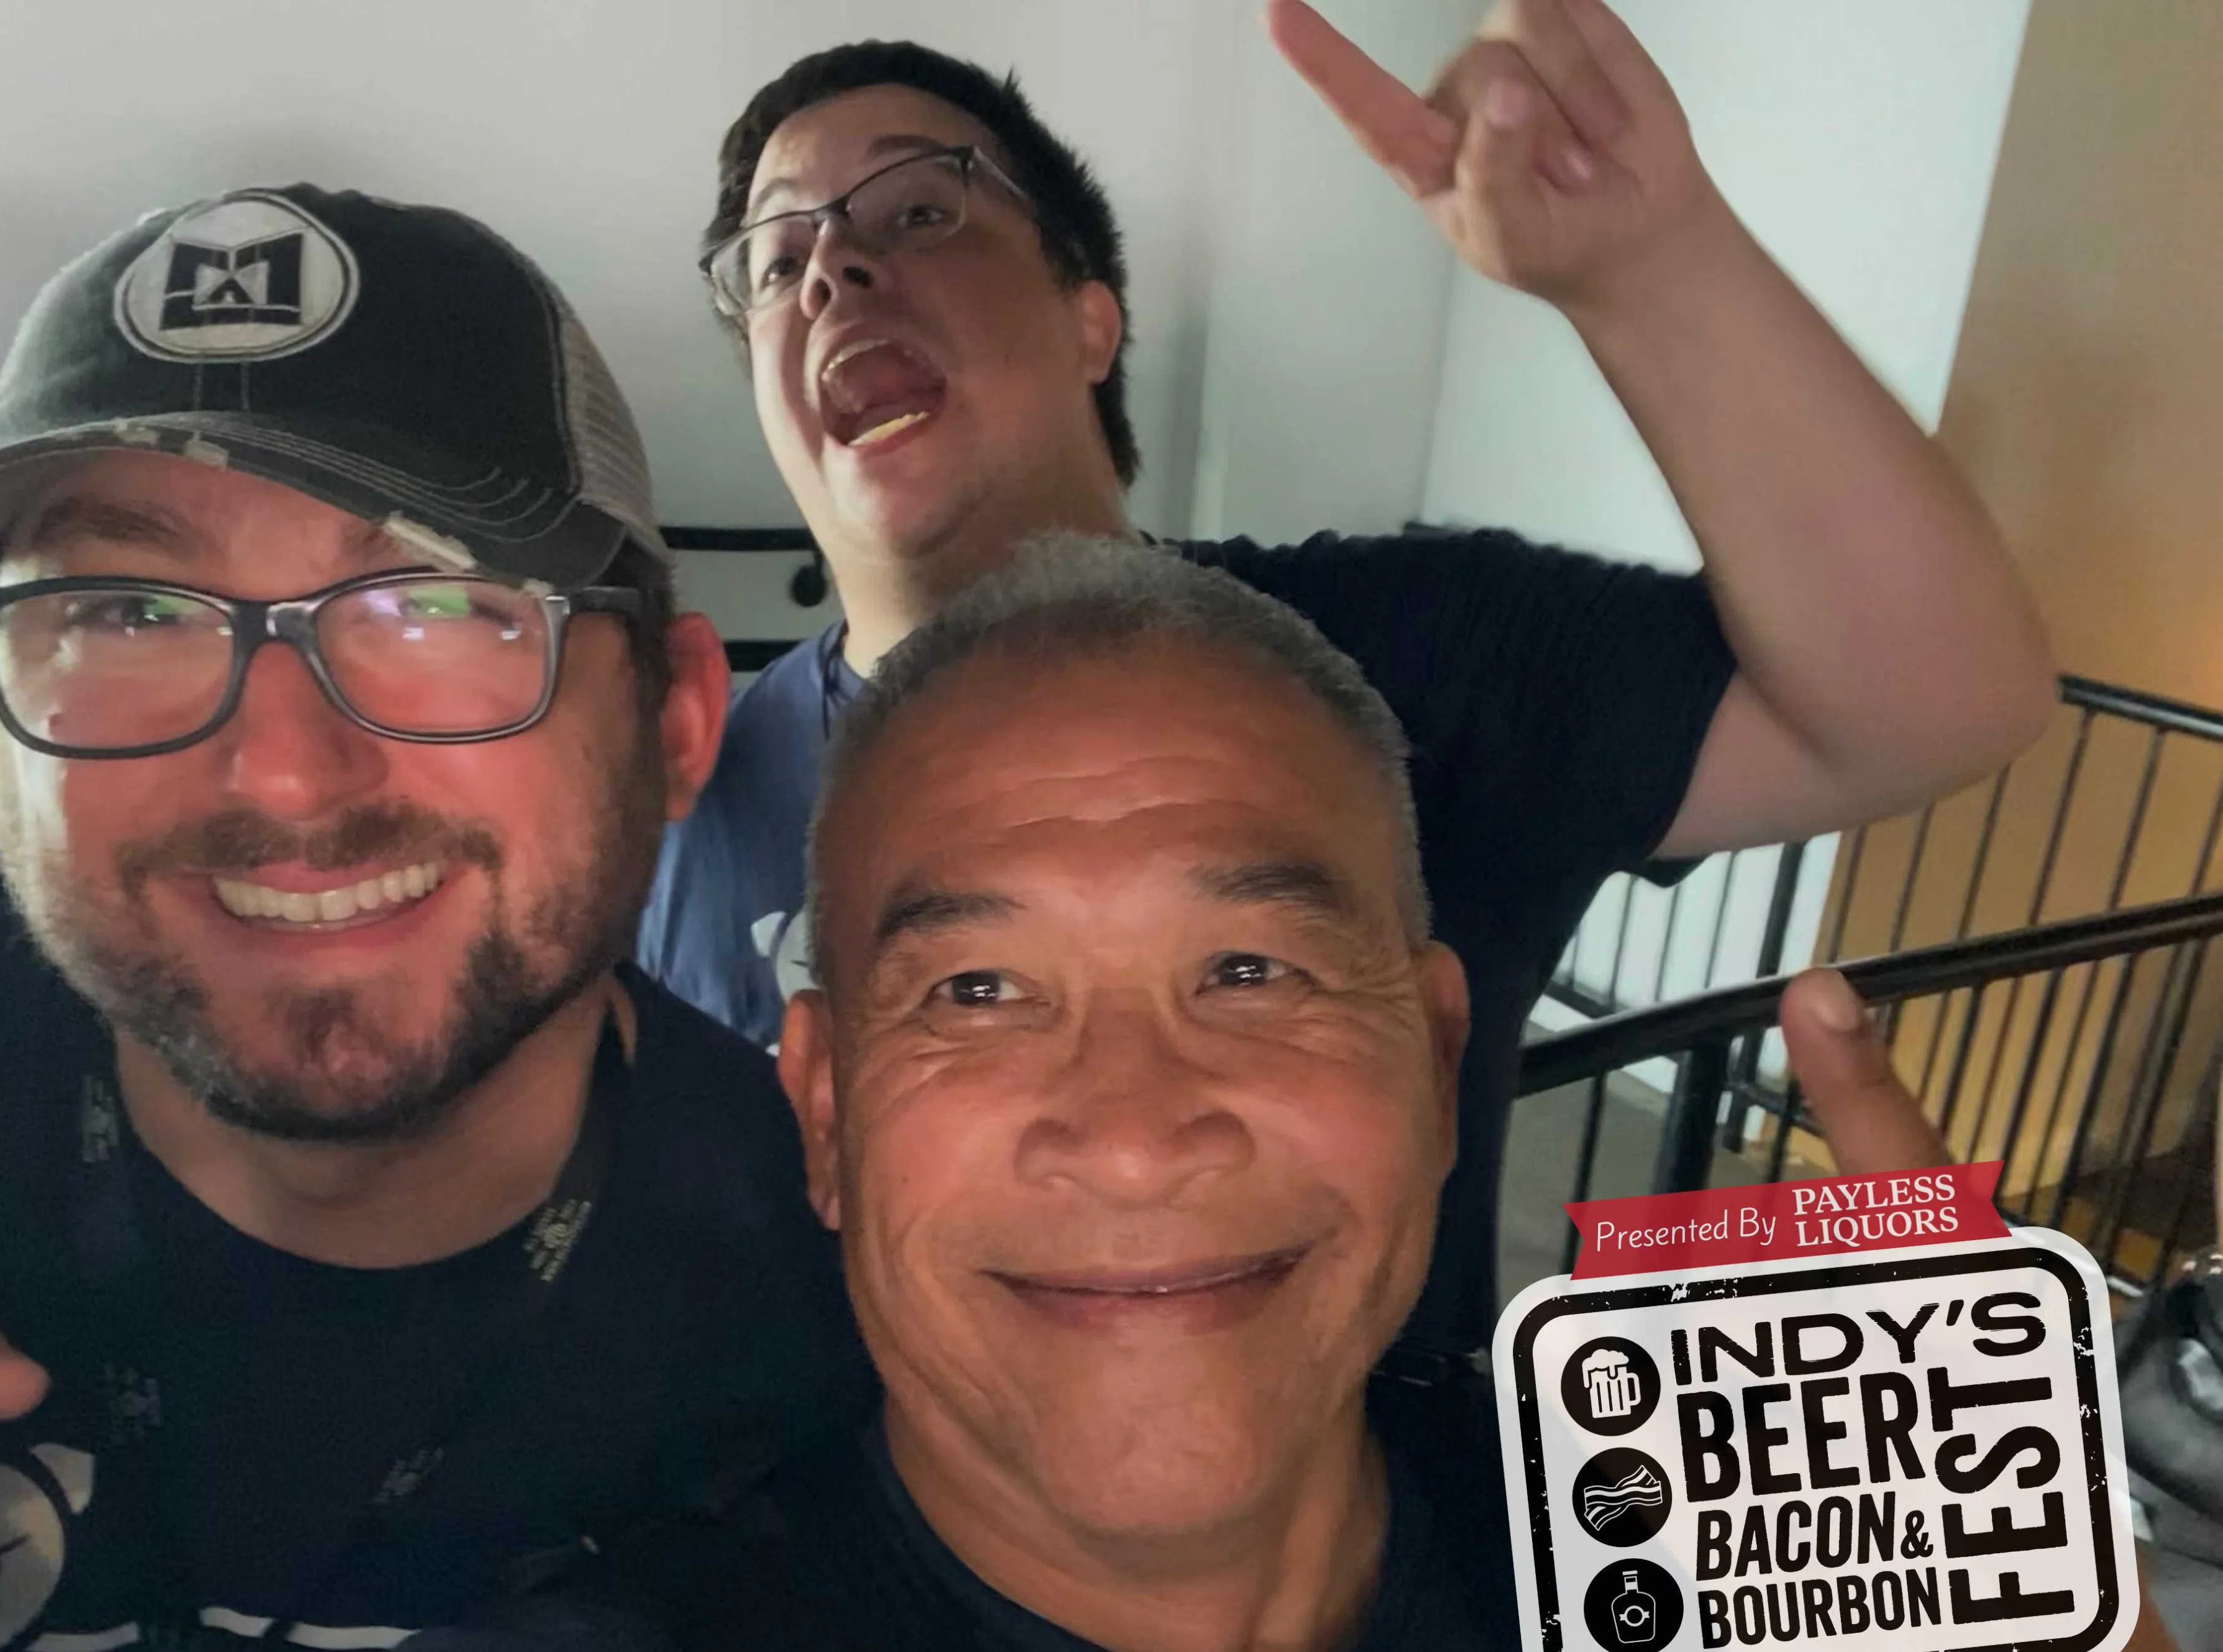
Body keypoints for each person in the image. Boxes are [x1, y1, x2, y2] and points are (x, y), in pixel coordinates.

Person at [134, 540, 2223, 1652]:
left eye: (1250, 968)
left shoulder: (1723, 1532)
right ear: (827, 1116)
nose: (1131, 1132)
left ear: (1433, 1057)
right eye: (977, 992)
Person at [639, 0, 2059, 1352]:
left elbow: (1932, 702)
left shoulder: (1395, 658)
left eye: (919, 209)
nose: (831, 268)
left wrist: (1652, 270)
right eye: (774, 260)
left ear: (1088, 320)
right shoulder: (688, 800)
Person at [0, 185, 871, 1652]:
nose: (281, 772)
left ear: (679, 725)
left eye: (436, 606)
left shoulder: (852, 1303)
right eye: (123, 612)